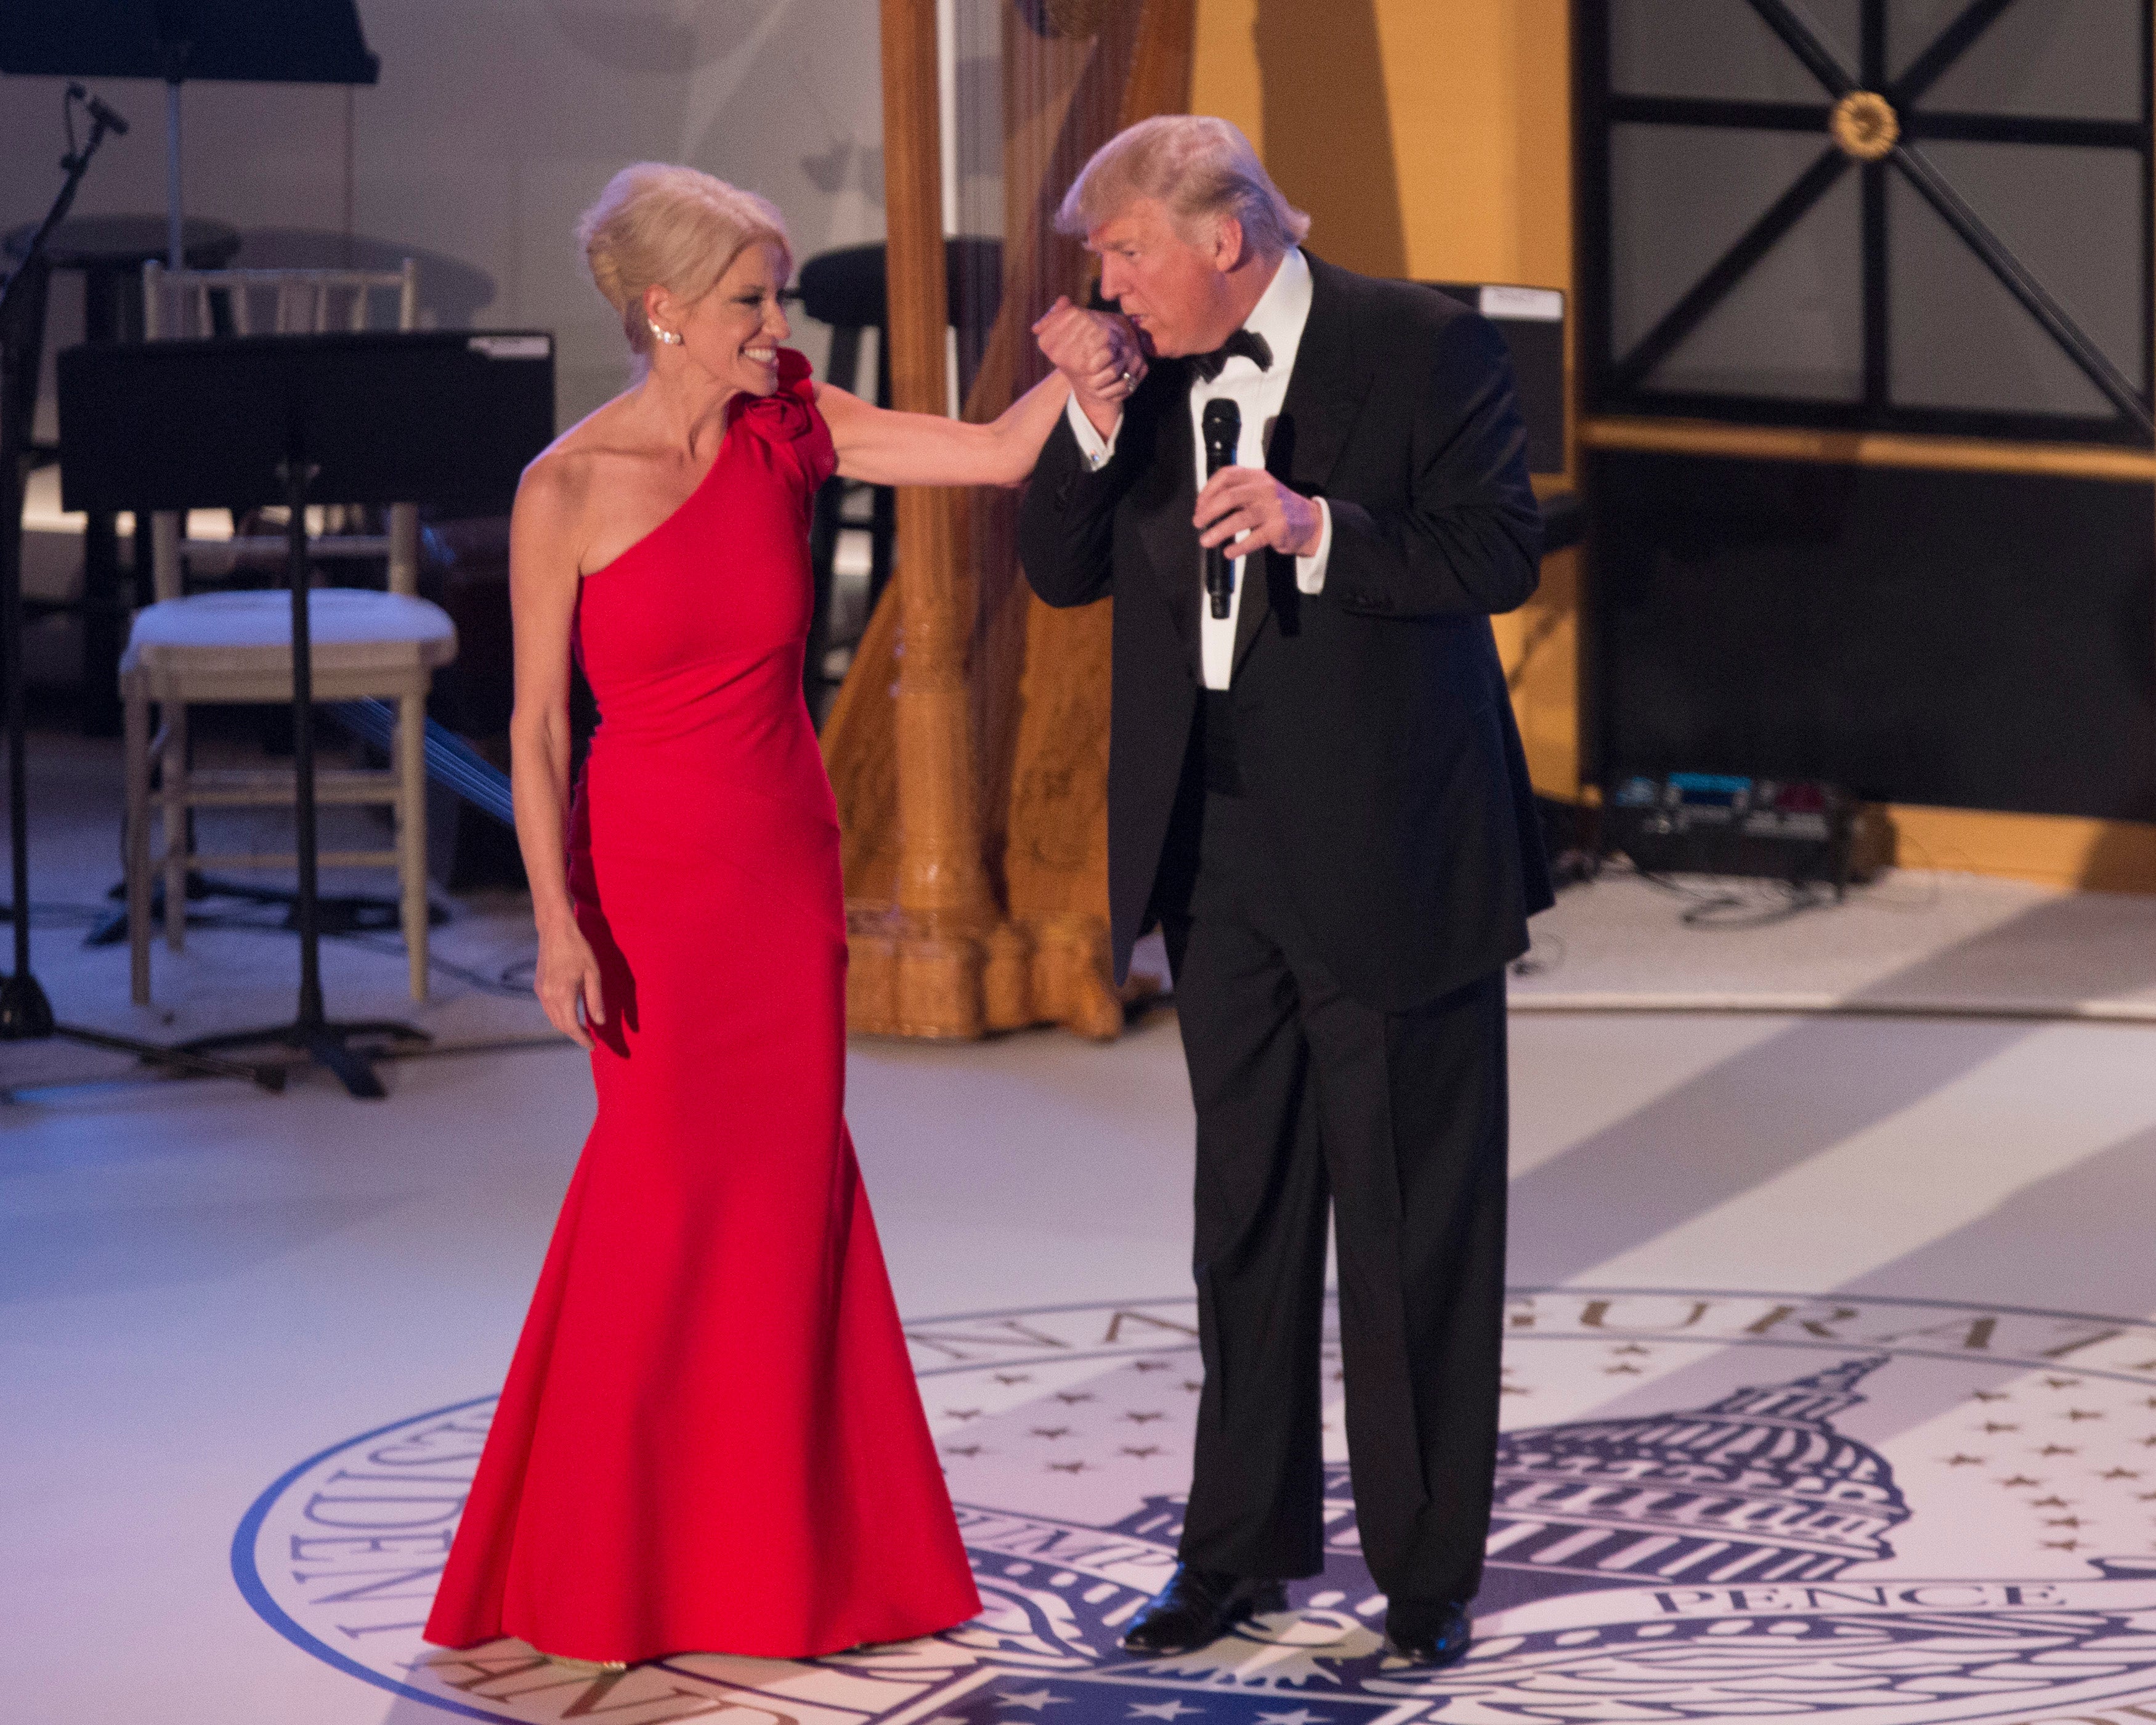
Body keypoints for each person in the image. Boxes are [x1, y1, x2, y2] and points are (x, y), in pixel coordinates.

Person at [423, 163, 1137, 1668]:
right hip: (650, 889)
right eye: (753, 300)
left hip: (779, 870)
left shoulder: (792, 429)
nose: (778, 323)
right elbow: (539, 732)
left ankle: (778, 1558)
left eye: (780, 296)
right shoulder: (564, 486)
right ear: (663, 309)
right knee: (658, 1201)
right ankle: (602, 1557)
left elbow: (1000, 455)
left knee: (781, 1204)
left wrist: (1075, 379)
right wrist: (559, 922)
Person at [1018, 116, 1551, 1669]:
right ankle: (1237, 1545)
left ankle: (1426, 1565)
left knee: (1407, 1217)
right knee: (1242, 1209)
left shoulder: (1422, 345)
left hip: (1394, 841)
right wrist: (1088, 414)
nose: (1105, 287)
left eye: (1122, 253)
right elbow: (1057, 567)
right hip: (1215, 843)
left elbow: (1499, 551)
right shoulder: (1140, 377)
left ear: (1221, 238)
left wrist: (1323, 527)